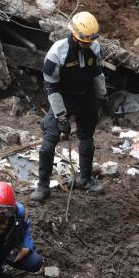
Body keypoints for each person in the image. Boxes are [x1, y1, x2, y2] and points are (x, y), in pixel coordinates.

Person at [31, 11, 111, 202]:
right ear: (75, 37)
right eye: (84, 41)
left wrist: (103, 98)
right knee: (48, 144)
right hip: (63, 98)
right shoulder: (56, 54)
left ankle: (85, 179)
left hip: (86, 97)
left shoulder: (94, 47)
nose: (88, 44)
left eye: (91, 41)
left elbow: (97, 73)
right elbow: (51, 87)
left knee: (87, 139)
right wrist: (60, 116)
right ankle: (43, 186)